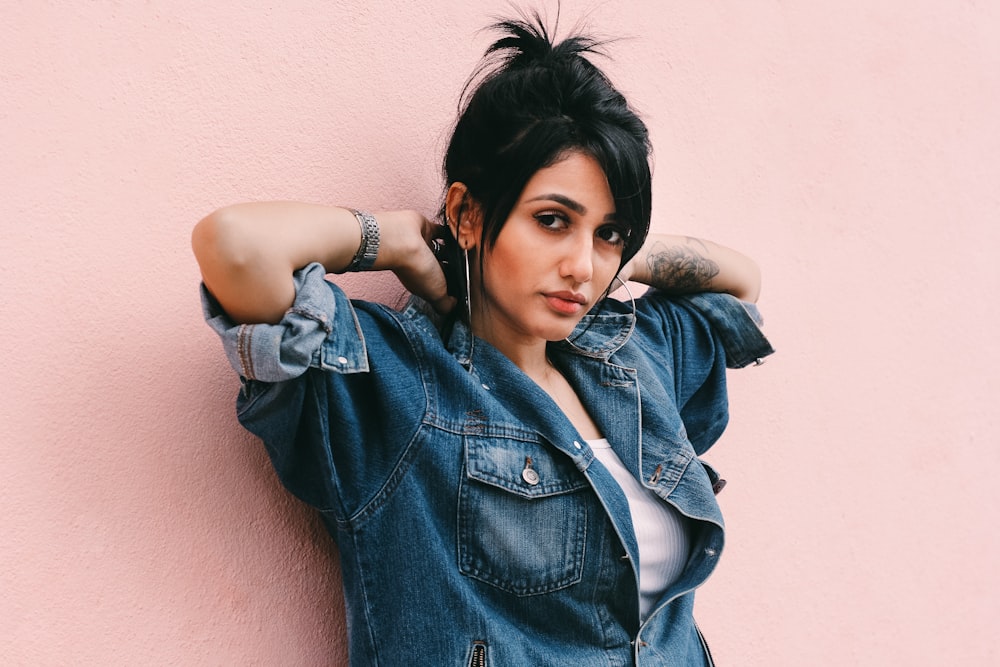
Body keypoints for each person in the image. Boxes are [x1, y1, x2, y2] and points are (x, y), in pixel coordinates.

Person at [193, 13, 773, 667]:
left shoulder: (635, 357)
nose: (580, 265)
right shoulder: (401, 384)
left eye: (607, 232)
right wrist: (400, 240)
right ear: (469, 213)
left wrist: (622, 252)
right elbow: (235, 246)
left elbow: (740, 286)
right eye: (552, 221)